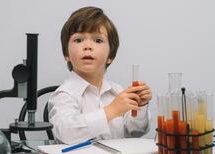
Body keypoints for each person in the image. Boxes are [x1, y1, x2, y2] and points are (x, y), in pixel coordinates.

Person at [48, 6, 152, 144]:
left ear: (110, 56)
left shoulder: (117, 92)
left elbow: (135, 131)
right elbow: (66, 132)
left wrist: (140, 107)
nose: (87, 46)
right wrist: (112, 110)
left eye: (98, 40)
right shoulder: (64, 95)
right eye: (78, 40)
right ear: (66, 54)